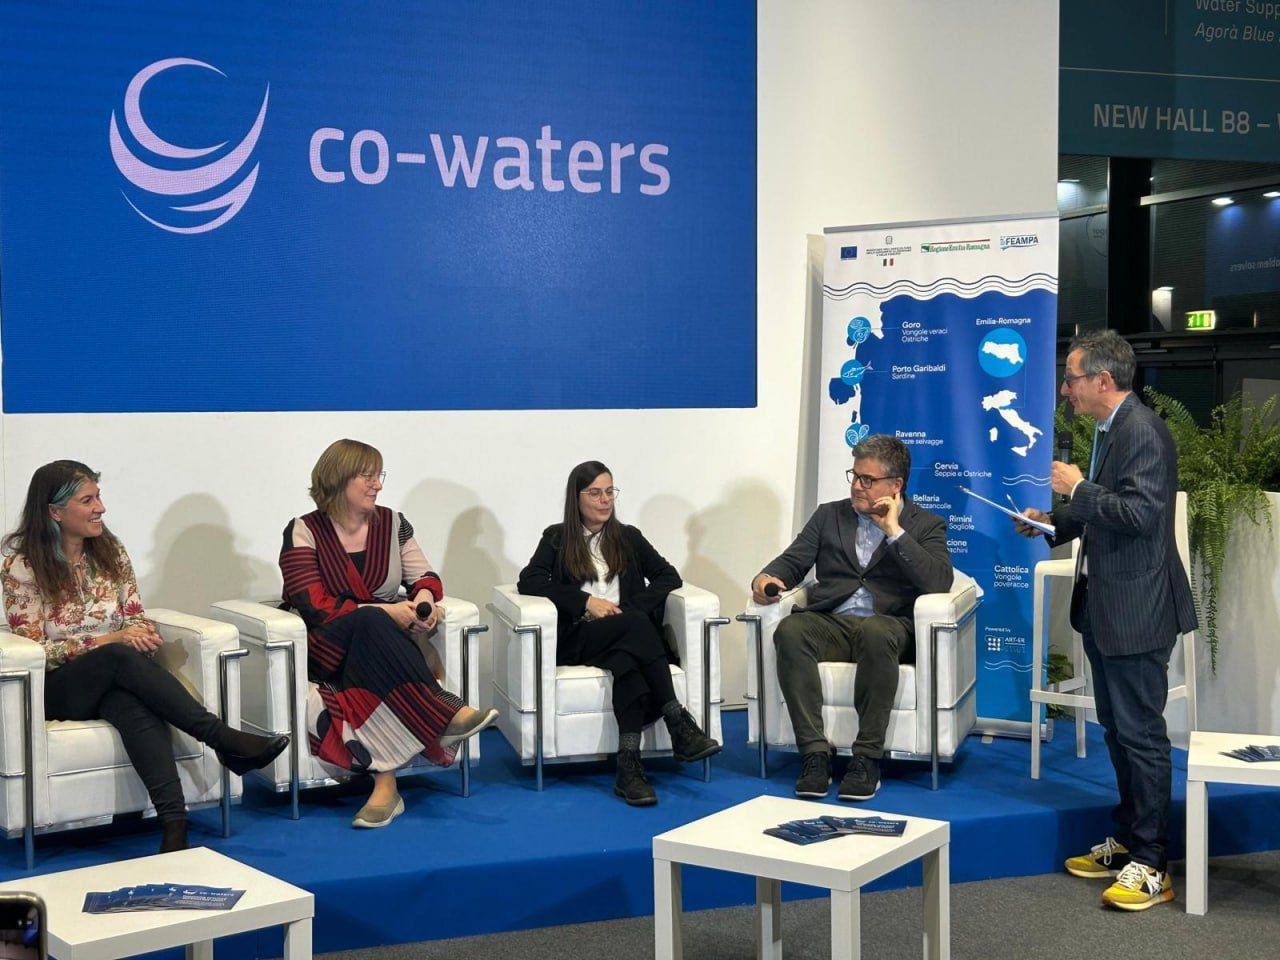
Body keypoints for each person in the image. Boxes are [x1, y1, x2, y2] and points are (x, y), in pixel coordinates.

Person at [1, 460, 289, 854]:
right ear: (54, 511)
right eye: (87, 500)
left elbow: (135, 615)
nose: (100, 507)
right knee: (116, 657)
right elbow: (34, 650)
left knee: (129, 703)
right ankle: (221, 737)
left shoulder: (111, 552)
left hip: (114, 678)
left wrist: (143, 636)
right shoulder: (22, 566)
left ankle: (175, 826)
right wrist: (112, 641)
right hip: (58, 688)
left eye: (98, 496)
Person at [1016, 330, 1196, 911]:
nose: (1064, 390)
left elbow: (1141, 514)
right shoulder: (1109, 429)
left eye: (1071, 379)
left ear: (1102, 379)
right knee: (1119, 732)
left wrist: (1079, 487)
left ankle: (1153, 863)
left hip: (1139, 608)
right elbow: (1105, 512)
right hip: (1105, 604)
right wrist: (1053, 521)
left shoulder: (1142, 430)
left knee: (1140, 735)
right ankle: (1130, 840)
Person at [280, 439, 496, 829]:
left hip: (380, 653)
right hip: (328, 646)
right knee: (372, 621)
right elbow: (314, 604)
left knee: (376, 632)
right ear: (339, 478)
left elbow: (425, 577)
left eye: (379, 476)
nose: (377, 485)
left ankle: (386, 788)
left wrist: (424, 602)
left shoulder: (395, 523)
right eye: (367, 477)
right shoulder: (303, 530)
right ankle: (445, 713)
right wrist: (385, 611)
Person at [753, 434, 953, 802]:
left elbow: (939, 581)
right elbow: (793, 560)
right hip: (834, 622)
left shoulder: (925, 524)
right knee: (791, 630)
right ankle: (814, 754)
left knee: (876, 631)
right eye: (855, 476)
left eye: (868, 479)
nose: (857, 486)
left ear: (896, 485)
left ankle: (867, 759)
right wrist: (767, 577)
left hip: (889, 625)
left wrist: (894, 532)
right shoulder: (829, 515)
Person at [517, 460, 721, 806]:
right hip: (580, 637)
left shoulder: (628, 537)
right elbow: (530, 580)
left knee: (628, 661)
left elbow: (668, 576)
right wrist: (586, 602)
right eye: (595, 493)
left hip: (625, 635)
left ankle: (628, 768)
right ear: (577, 498)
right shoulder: (557, 538)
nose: (605, 500)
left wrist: (627, 610)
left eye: (610, 492)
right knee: (637, 629)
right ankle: (678, 722)